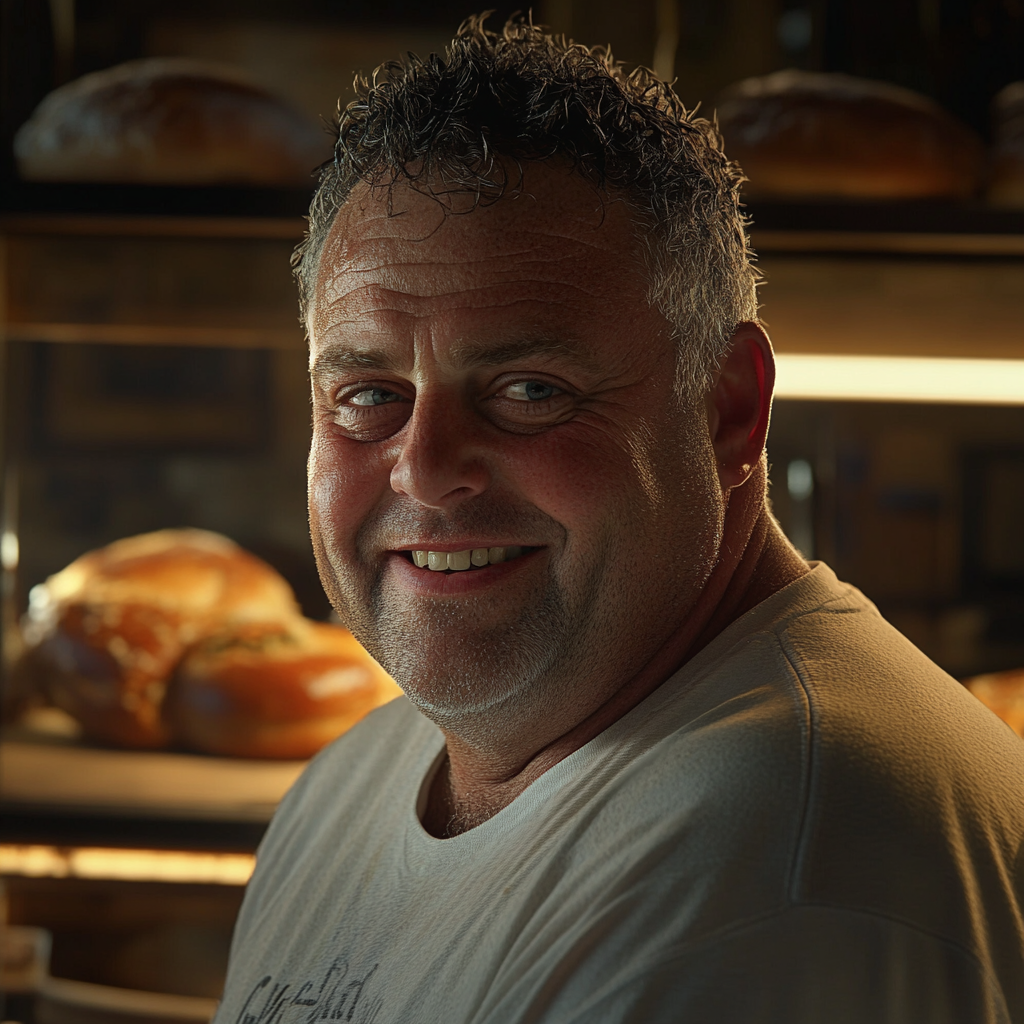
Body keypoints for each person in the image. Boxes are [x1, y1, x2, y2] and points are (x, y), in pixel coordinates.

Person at [216, 16, 1024, 1023]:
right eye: (369, 394)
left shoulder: (789, 879)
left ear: (727, 407)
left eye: (526, 388)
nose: (423, 469)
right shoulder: (352, 782)